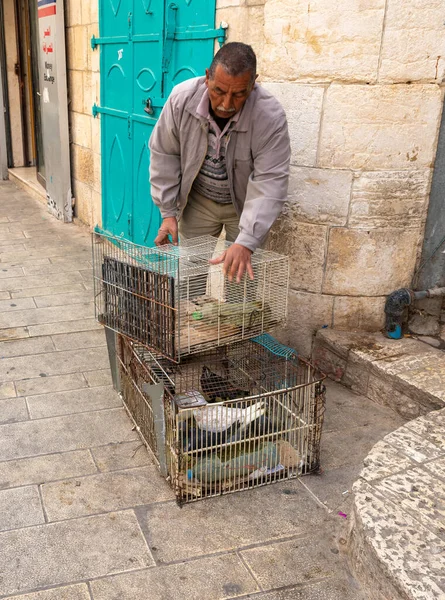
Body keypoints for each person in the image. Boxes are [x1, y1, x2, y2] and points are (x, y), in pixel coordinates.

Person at [149, 42, 291, 283]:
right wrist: (168, 212)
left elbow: (270, 181)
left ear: (253, 83)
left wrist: (246, 241)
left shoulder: (270, 117)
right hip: (199, 202)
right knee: (189, 277)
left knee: (240, 278)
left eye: (239, 94)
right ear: (207, 77)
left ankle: (237, 320)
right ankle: (190, 319)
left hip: (245, 206)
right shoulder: (181, 99)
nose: (227, 103)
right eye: (219, 91)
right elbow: (165, 153)